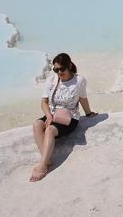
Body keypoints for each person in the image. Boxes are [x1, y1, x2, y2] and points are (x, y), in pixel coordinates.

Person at [30, 52, 96, 182]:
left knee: (49, 130)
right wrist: (48, 116)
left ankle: (43, 166)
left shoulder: (79, 81)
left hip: (69, 117)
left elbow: (83, 99)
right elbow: (44, 102)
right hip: (53, 114)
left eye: (62, 69)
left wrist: (88, 113)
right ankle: (47, 159)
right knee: (37, 124)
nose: (59, 72)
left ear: (69, 65)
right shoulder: (52, 80)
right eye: (56, 69)